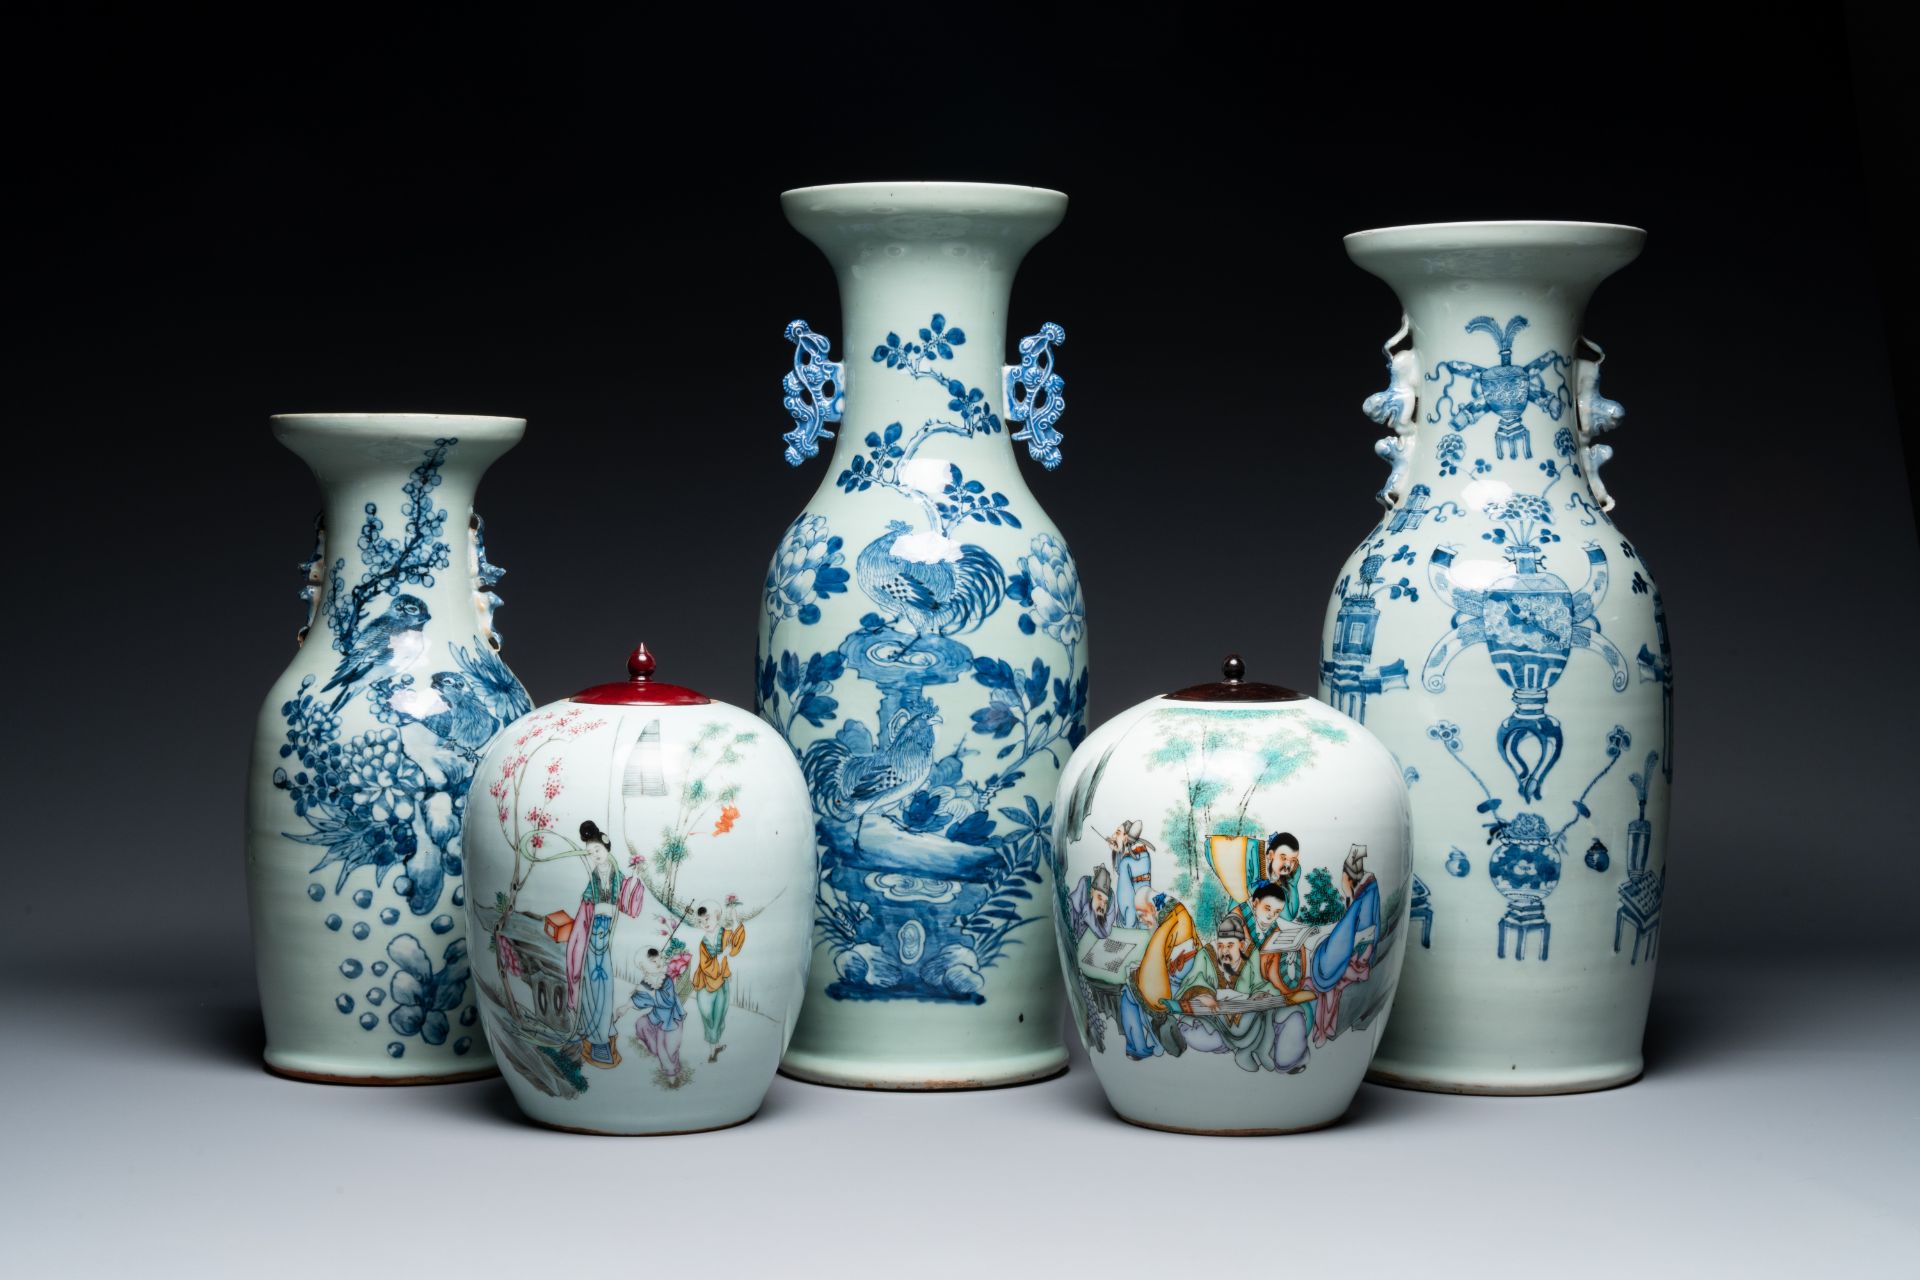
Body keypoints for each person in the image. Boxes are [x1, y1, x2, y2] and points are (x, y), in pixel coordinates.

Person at [566, 821, 646, 1069]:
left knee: (604, 988)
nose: (594, 856)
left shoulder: (616, 875)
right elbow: (586, 911)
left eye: (597, 850)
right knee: (593, 989)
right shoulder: (593, 880)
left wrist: (637, 877)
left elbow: (628, 905)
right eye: (590, 853)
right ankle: (594, 1039)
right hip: (591, 939)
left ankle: (601, 1037)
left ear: (607, 848)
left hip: (604, 942)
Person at [693, 899, 746, 1063]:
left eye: (707, 918)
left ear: (717, 915)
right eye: (701, 921)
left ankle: (712, 1050)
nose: (705, 923)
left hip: (721, 983)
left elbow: (736, 944)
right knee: (707, 1014)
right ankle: (714, 1045)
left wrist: (736, 920)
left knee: (719, 1016)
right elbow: (705, 965)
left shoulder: (725, 935)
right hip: (706, 984)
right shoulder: (704, 943)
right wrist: (721, 956)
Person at [629, 939, 689, 1077]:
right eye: (653, 962)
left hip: (672, 1018)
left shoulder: (665, 979)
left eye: (660, 958)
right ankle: (661, 1058)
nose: (659, 963)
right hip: (657, 1017)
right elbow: (641, 999)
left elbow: (667, 1002)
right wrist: (627, 1006)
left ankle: (672, 1073)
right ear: (644, 968)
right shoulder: (648, 980)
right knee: (641, 1024)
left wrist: (650, 992)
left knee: (667, 1048)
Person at [1107, 820, 1155, 928]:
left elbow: (1126, 902)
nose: (1113, 836)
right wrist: (1118, 851)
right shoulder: (1140, 856)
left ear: (1125, 837)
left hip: (1131, 923)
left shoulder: (1128, 861)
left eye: (1118, 832)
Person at [1067, 865, 1117, 943]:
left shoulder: (1111, 898)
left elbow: (1106, 933)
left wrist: (1090, 918)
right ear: (1092, 892)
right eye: (1099, 898)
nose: (1102, 905)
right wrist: (1088, 912)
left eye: (1105, 902)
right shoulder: (1083, 887)